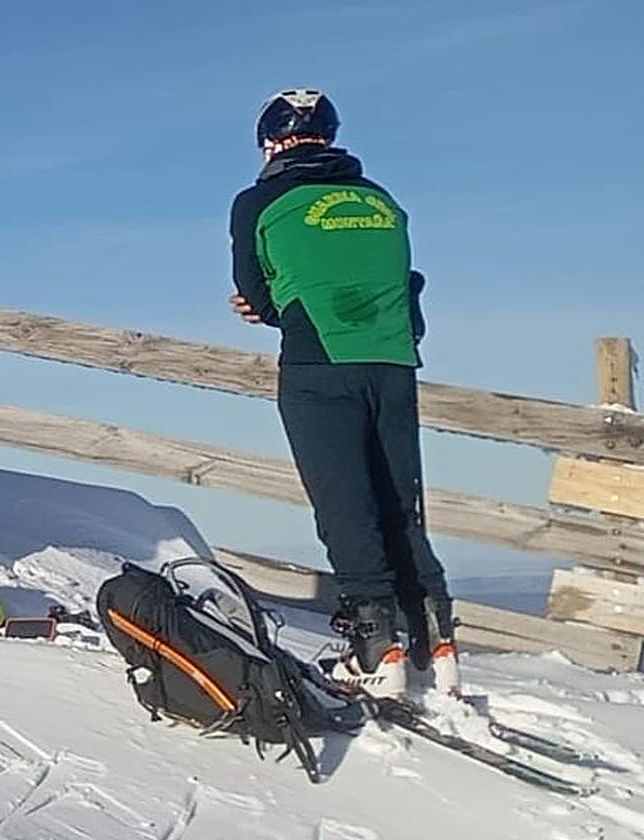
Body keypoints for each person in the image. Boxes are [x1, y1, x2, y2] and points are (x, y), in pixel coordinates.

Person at [228, 89, 458, 697]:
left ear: (270, 142)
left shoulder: (259, 200)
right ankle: (435, 638)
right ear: (329, 137)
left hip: (318, 361)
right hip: (393, 361)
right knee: (398, 500)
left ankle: (374, 647)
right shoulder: (381, 199)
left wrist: (273, 308)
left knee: (345, 504)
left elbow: (254, 287)